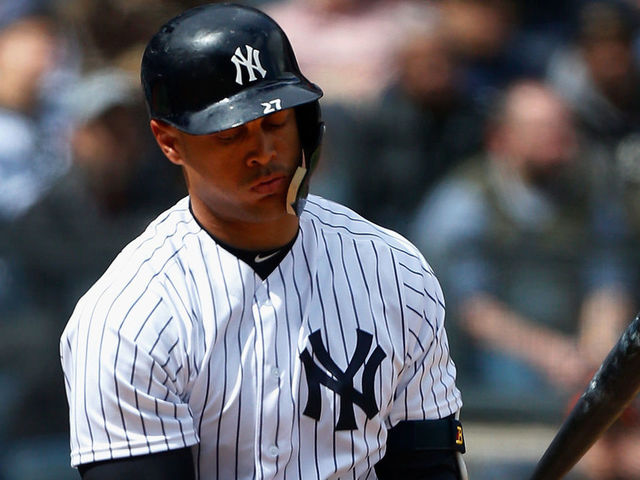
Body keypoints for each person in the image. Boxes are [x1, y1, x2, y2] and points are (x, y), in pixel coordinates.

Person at [59, 4, 466, 479]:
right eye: (232, 135)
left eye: (275, 124)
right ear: (169, 142)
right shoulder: (129, 316)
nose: (265, 153)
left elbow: (428, 464)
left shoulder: (394, 270)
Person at [410, 80, 633, 420]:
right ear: (500, 138)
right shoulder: (464, 205)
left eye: (562, 125)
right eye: (541, 128)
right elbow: (473, 311)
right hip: (495, 356)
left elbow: (608, 276)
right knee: (511, 379)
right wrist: (551, 354)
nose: (557, 137)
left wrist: (598, 351)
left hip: (577, 348)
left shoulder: (590, 193)